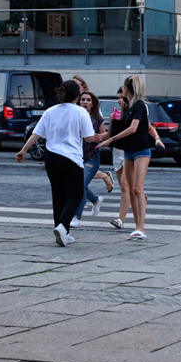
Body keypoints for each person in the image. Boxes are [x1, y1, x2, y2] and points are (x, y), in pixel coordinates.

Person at [15, 80, 96, 246]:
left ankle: (62, 231)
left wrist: (23, 150)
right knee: (76, 194)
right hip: (71, 158)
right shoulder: (80, 112)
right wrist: (103, 136)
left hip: (51, 157)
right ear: (76, 95)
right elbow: (89, 137)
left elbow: (36, 133)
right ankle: (63, 225)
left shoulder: (50, 111)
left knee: (58, 194)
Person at [96, 75, 158, 240]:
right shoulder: (129, 106)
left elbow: (133, 128)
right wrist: (122, 110)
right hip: (129, 151)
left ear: (128, 88)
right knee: (131, 190)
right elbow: (121, 126)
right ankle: (138, 228)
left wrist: (111, 139)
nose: (122, 89)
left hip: (141, 151)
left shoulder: (139, 105)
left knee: (137, 189)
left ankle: (141, 228)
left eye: (124, 87)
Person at [105, 88, 163, 229]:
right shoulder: (116, 115)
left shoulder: (136, 109)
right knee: (128, 188)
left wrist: (157, 137)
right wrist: (96, 139)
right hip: (121, 153)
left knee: (129, 187)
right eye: (118, 98)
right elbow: (108, 134)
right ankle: (138, 210)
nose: (120, 100)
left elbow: (145, 127)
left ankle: (122, 219)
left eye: (122, 97)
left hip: (136, 151)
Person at [70, 91, 106, 228]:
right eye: (82, 99)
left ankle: (76, 216)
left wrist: (98, 137)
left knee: (81, 184)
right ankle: (96, 200)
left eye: (88, 100)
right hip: (76, 156)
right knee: (80, 185)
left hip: (92, 158)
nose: (85, 102)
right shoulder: (75, 116)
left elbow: (106, 135)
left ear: (92, 103)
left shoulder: (97, 118)